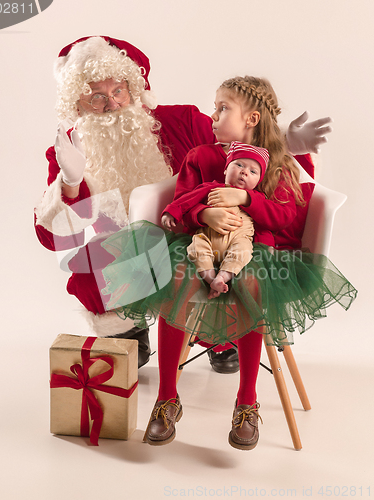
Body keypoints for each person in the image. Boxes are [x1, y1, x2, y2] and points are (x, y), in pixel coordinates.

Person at [34, 35, 333, 372]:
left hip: (196, 232)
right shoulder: (67, 150)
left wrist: (285, 143)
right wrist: (71, 182)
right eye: (97, 98)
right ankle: (130, 330)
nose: (113, 104)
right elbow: (55, 239)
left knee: (211, 259)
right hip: (131, 248)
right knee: (88, 269)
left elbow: (241, 148)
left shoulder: (183, 121)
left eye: (118, 91)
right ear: (77, 104)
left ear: (134, 88)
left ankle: (220, 336)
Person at [143, 75, 356, 450]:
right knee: (174, 281)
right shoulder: (201, 157)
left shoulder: (277, 165)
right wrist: (203, 215)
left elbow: (286, 218)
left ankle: (246, 401)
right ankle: (167, 398)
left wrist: (245, 199)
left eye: (222, 107)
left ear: (252, 119)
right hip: (200, 244)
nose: (213, 115)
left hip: (255, 250)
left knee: (253, 284)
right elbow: (181, 201)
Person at [162, 142, 271, 298]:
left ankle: (222, 277)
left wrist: (268, 246)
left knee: (244, 251)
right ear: (226, 169)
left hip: (238, 240)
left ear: (258, 181)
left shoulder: (255, 199)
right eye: (239, 164)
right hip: (207, 237)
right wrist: (171, 212)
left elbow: (263, 225)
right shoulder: (210, 187)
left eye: (253, 171)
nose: (244, 172)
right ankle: (211, 278)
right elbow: (186, 200)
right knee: (196, 248)